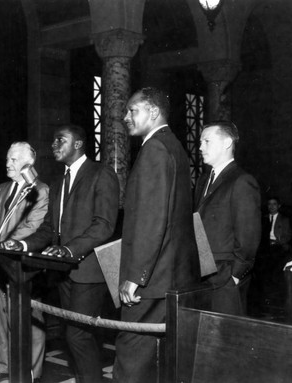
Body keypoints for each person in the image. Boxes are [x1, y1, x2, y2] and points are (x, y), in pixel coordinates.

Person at [2, 125, 119, 383]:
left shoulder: (101, 173)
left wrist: (68, 249)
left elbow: (103, 225)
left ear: (78, 144)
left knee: (78, 336)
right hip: (64, 272)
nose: (54, 144)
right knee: (77, 336)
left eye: (60, 140)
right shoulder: (58, 182)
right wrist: (22, 245)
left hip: (88, 271)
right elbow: (48, 229)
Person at [113, 87, 200, 383]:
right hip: (172, 275)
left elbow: (152, 220)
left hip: (153, 280)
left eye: (131, 110)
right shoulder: (173, 145)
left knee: (131, 357)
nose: (125, 117)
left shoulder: (154, 150)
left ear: (152, 111)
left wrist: (136, 276)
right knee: (159, 363)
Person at [0, 142, 49, 383]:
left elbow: (33, 226)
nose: (7, 163)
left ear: (29, 163)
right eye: (7, 159)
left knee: (31, 321)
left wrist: (3, 244)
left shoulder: (40, 190)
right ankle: (4, 367)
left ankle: (32, 373)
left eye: (13, 159)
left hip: (23, 267)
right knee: (2, 317)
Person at [194, 121, 261, 315]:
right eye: (200, 142)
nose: (200, 147)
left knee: (226, 338)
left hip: (225, 279)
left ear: (227, 143)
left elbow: (248, 238)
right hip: (203, 275)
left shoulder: (241, 181)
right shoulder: (203, 180)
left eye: (207, 141)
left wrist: (234, 276)